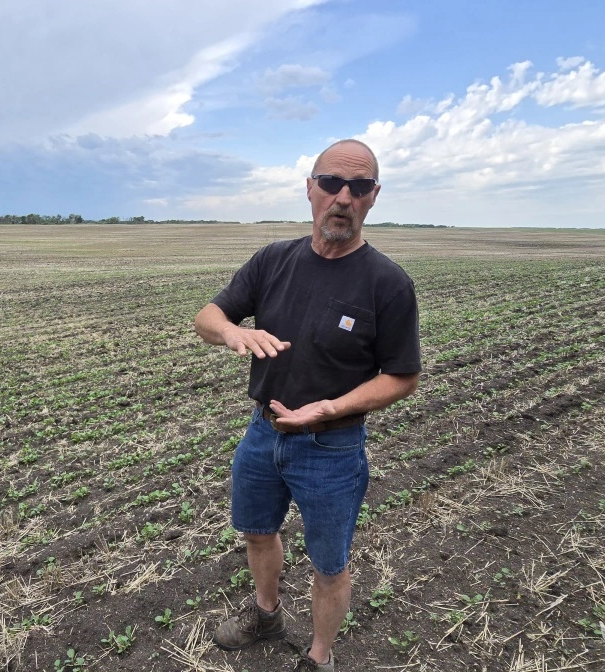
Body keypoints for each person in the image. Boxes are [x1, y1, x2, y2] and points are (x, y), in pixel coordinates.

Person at [193, 139, 421, 671]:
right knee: (256, 531)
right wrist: (230, 333)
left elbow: (402, 377)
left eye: (358, 187)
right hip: (262, 433)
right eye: (331, 184)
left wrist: (330, 409)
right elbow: (207, 316)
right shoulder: (274, 259)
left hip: (332, 446)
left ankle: (319, 658)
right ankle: (267, 615)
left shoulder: (387, 283)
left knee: (328, 564)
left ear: (373, 197)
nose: (343, 197)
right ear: (310, 189)